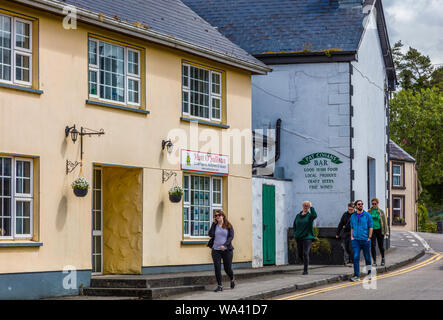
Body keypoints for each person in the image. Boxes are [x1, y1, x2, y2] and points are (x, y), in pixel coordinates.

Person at [207, 209, 235, 292]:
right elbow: (210, 234)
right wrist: (213, 223)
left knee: (227, 268)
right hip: (216, 250)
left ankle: (232, 278)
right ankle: (219, 285)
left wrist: (225, 245)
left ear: (222, 216)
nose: (217, 217)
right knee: (217, 267)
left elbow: (231, 237)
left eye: (218, 215)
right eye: (215, 216)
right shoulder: (215, 225)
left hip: (227, 250)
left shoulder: (228, 225)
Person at [349, 200, 373, 282]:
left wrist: (369, 237)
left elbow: (371, 227)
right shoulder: (353, 216)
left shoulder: (367, 215)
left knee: (367, 258)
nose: (361, 205)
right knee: (356, 257)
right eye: (359, 204)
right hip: (356, 240)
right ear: (355, 206)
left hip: (365, 240)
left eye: (362, 204)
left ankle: (369, 274)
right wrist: (352, 237)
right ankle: (356, 276)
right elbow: (352, 227)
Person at [293, 201, 317, 275]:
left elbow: (315, 215)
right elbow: (294, 225)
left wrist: (311, 207)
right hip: (299, 237)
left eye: (307, 205)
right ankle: (305, 263)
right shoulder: (298, 216)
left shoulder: (310, 216)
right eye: (304, 205)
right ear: (302, 206)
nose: (305, 206)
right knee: (300, 254)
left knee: (305, 253)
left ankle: (305, 270)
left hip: (307, 237)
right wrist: (295, 234)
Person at [369, 198, 388, 266]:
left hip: (380, 230)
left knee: (381, 246)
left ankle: (383, 258)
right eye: (372, 204)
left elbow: (385, 222)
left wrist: (387, 232)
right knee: (373, 246)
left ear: (377, 204)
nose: (374, 205)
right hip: (372, 230)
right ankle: (374, 261)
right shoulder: (369, 211)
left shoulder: (381, 212)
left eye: (375, 204)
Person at [336, 203, 355, 267]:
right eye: (349, 209)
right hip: (346, 233)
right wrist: (337, 233)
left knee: (351, 247)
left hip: (353, 233)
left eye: (351, 209)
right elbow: (341, 223)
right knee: (346, 248)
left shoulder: (356, 215)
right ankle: (349, 260)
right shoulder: (345, 214)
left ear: (354, 208)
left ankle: (351, 261)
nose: (350, 210)